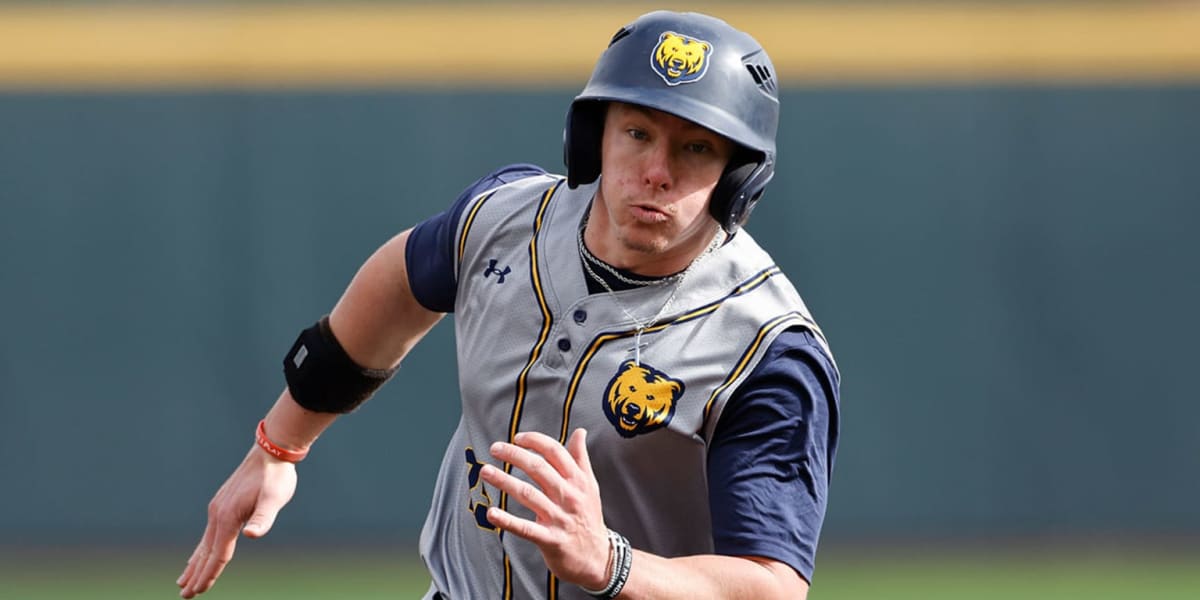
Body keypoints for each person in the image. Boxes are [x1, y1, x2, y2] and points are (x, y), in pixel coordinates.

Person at [177, 10, 839, 600]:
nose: (657, 169)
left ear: (740, 178)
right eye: (637, 132)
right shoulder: (505, 219)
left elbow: (773, 586)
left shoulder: (766, 349)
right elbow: (398, 286)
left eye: (696, 147)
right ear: (594, 137)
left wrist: (611, 564)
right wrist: (278, 445)